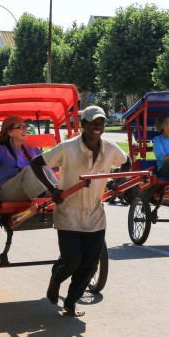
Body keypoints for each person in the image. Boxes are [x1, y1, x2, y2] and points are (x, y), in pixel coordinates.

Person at [29, 106, 131, 317]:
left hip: (95, 214)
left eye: (101, 122)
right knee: (72, 260)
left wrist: (118, 181)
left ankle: (71, 302)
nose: (98, 126)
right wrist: (53, 189)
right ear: (83, 125)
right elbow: (37, 163)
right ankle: (55, 281)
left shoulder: (110, 148)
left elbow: (126, 161)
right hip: (68, 212)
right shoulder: (67, 148)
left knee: (91, 264)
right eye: (93, 122)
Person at [0, 115, 58, 202]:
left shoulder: (34, 151)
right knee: (31, 168)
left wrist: (69, 145)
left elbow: (56, 162)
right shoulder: (1, 149)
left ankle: (57, 192)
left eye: (26, 126)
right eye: (21, 127)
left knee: (44, 166)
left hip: (32, 189)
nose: (26, 129)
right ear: (10, 132)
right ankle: (43, 197)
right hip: (9, 192)